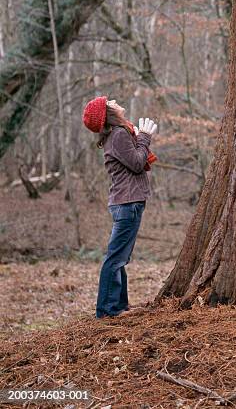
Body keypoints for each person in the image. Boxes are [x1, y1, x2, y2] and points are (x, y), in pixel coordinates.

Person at [82, 96, 158, 318]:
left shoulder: (118, 134)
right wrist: (144, 138)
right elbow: (136, 163)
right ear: (108, 113)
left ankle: (120, 306)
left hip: (126, 202)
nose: (114, 101)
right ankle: (106, 311)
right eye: (110, 102)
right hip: (127, 203)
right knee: (115, 258)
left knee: (120, 257)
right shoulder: (118, 135)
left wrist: (140, 137)